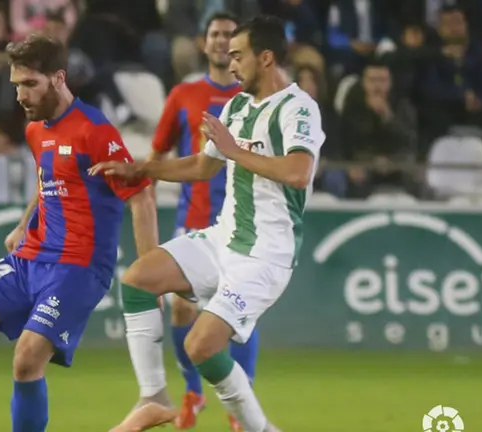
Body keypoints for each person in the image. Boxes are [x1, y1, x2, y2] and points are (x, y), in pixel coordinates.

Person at [0, 34, 157, 432]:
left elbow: (142, 197)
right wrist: (25, 223)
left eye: (30, 84)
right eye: (16, 85)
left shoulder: (95, 130)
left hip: (78, 267)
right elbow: (50, 181)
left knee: (26, 359)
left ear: (58, 78)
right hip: (30, 259)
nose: (21, 95)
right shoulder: (36, 130)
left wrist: (151, 274)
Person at [94, 15, 324, 432]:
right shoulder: (235, 106)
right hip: (223, 238)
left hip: (266, 255)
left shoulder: (298, 107)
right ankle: (153, 397)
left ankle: (259, 428)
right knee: (138, 278)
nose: (230, 63)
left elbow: (298, 172)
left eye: (239, 56)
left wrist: (234, 150)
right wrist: (142, 169)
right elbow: (203, 167)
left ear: (266, 57)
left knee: (202, 345)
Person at [118, 11, 258, 432]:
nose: (221, 42)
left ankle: (240, 405)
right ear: (203, 43)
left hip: (243, 223)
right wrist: (140, 181)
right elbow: (158, 154)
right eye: (215, 34)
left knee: (239, 316)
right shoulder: (184, 94)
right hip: (193, 219)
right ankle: (193, 390)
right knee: (181, 310)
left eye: (229, 36)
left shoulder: (253, 99)